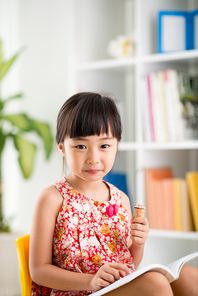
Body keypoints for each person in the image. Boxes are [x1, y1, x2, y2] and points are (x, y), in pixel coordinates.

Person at [29, 92, 198, 296]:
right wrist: (91, 281)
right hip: (79, 291)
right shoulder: (52, 198)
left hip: (113, 290)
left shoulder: (121, 200)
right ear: (62, 148)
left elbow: (128, 265)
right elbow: (39, 271)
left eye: (104, 146)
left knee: (190, 277)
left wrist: (137, 243)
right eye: (81, 146)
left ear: (117, 145)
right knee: (155, 284)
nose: (93, 158)